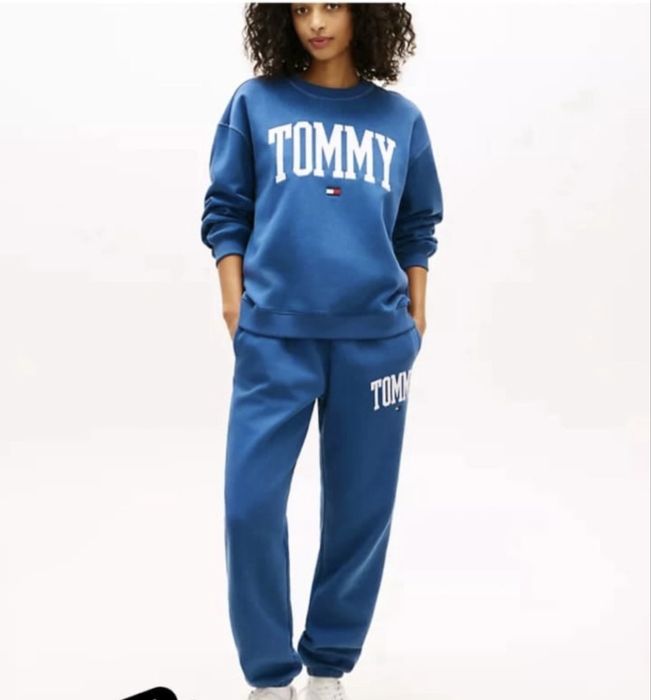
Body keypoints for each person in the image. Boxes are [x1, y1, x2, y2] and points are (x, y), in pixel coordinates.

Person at [200, 3, 444, 699]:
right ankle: (268, 677)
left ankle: (329, 667)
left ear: (366, 13)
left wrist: (416, 314)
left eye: (331, 3)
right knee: (249, 508)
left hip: (376, 343)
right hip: (274, 337)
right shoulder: (254, 104)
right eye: (301, 6)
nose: (315, 21)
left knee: (360, 512)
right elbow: (226, 209)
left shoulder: (400, 119)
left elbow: (417, 225)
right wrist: (234, 302)